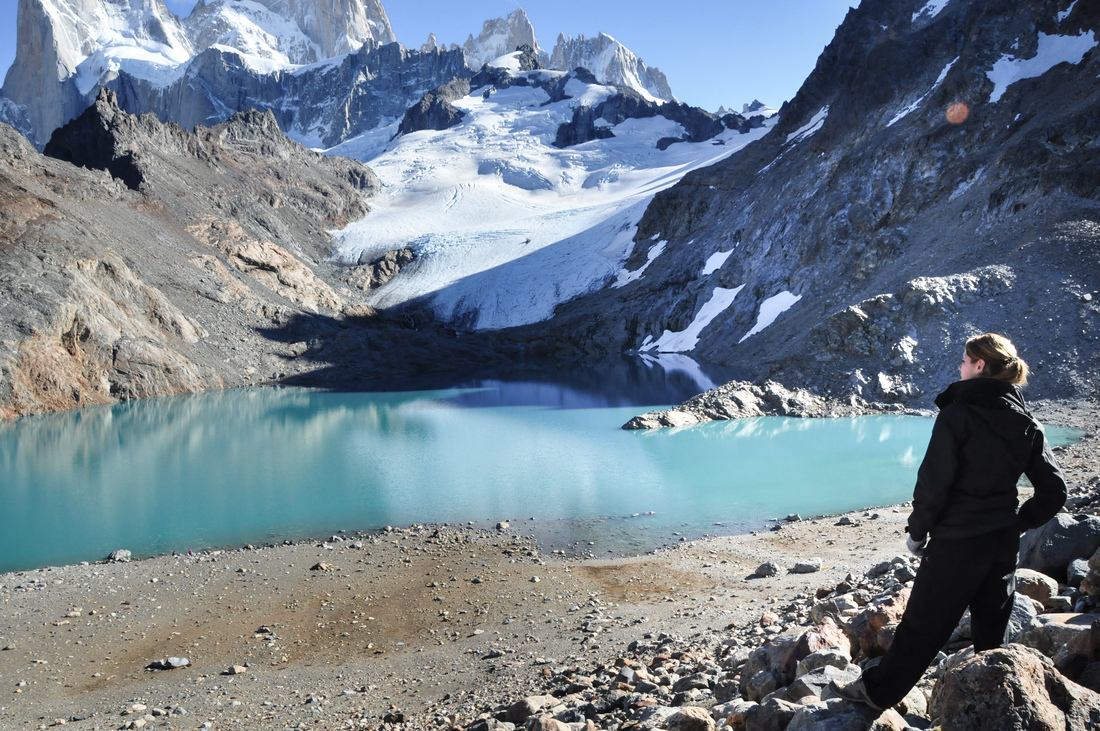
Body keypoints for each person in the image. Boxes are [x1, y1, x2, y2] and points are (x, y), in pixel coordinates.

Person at [835, 332, 1068, 710]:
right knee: (992, 631)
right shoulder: (1026, 421)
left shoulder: (958, 413)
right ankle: (997, 704)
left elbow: (933, 483)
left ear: (980, 365)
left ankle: (877, 693)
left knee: (924, 625)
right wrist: (1016, 523)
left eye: (964, 360)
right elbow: (1055, 491)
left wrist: (917, 533)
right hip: (1000, 545)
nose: (959, 367)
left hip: (957, 543)